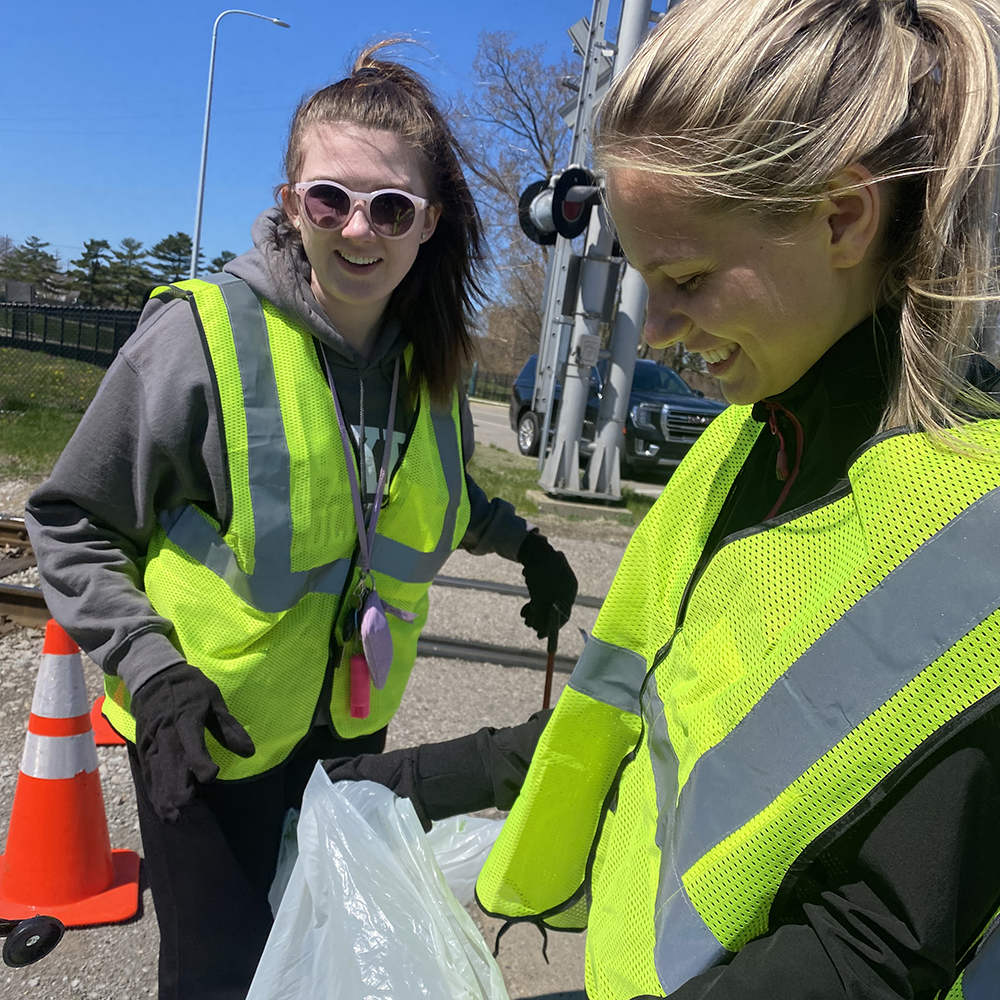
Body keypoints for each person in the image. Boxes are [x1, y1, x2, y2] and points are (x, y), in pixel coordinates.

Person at [329, 1, 1000, 997]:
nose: (654, 331)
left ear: (842, 218)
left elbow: (875, 940)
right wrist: (400, 784)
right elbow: (637, 713)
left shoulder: (972, 534)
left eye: (683, 276)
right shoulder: (740, 447)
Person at [24, 42, 577, 1000]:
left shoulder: (431, 361)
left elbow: (427, 497)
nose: (359, 229)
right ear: (291, 204)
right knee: (222, 976)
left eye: (390, 207)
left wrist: (525, 547)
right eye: (331, 199)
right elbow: (71, 519)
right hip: (206, 734)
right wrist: (154, 678)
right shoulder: (203, 338)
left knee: (315, 954)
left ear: (427, 224)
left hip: (345, 731)